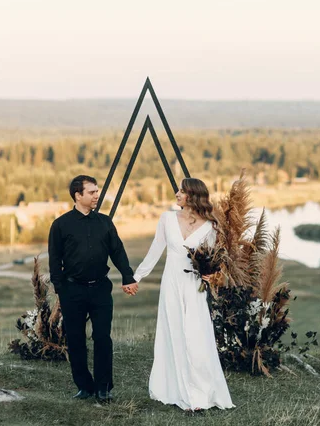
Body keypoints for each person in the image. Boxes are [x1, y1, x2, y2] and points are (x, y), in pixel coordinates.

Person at [130, 177, 236, 413]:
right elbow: (155, 250)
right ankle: (175, 389)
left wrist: (212, 274)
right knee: (174, 331)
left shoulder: (210, 225)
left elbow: (213, 258)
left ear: (192, 195)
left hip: (194, 285)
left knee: (197, 335)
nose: (176, 194)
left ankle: (201, 390)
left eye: (181, 191)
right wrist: (136, 277)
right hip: (172, 284)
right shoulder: (167, 218)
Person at [48, 175, 138, 403]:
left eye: (97, 191)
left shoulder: (105, 222)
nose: (97, 195)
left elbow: (117, 251)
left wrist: (128, 276)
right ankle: (84, 387)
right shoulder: (60, 225)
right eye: (91, 192)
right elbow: (54, 259)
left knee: (102, 338)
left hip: (100, 289)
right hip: (72, 291)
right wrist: (61, 290)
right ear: (78, 195)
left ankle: (104, 388)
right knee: (76, 340)